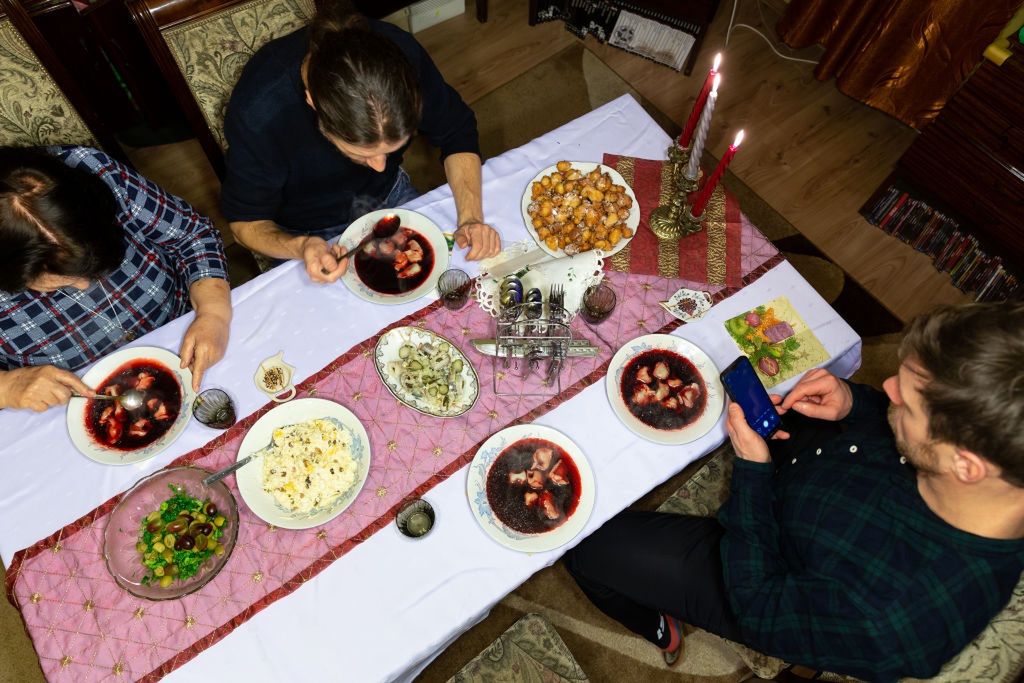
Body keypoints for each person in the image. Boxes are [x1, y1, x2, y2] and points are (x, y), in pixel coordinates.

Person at [564, 302, 1024, 680]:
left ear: (964, 465)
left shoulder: (891, 623)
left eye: (907, 400)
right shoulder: (979, 459)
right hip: (812, 468)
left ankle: (659, 625)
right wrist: (856, 403)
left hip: (762, 564)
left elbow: (758, 607)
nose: (887, 387)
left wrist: (753, 475)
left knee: (584, 548)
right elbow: (888, 413)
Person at [221, 2, 500, 283]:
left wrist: (471, 218)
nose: (379, 167)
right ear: (312, 102)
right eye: (362, 154)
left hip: (392, 195)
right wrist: (302, 247)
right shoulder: (259, 110)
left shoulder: (399, 55)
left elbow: (456, 130)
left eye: (388, 151)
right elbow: (246, 224)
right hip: (303, 233)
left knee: (463, 277)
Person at [0, 146, 232, 411]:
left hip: (187, 329)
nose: (84, 285)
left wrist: (214, 313)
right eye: (56, 280)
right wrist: (7, 387)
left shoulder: (91, 169)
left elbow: (192, 235)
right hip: (69, 401)